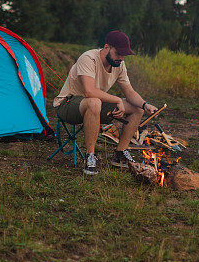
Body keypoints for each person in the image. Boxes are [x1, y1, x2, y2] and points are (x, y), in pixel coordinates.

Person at [53, 30, 159, 175]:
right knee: (94, 102)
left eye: (123, 55)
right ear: (107, 47)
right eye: (118, 53)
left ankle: (120, 153)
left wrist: (145, 104)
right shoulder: (89, 58)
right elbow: (89, 91)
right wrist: (117, 100)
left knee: (137, 109)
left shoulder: (119, 65)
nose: (121, 58)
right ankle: (90, 157)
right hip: (68, 104)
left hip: (94, 105)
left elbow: (129, 92)